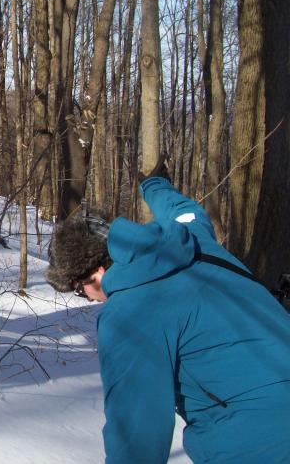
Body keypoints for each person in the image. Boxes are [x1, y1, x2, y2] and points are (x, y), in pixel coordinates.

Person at [45, 161, 290, 463]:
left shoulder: (129, 312)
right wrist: (154, 185)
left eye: (81, 290)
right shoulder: (193, 237)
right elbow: (183, 209)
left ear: (96, 271)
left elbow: (137, 431)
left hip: (256, 442)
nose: (90, 299)